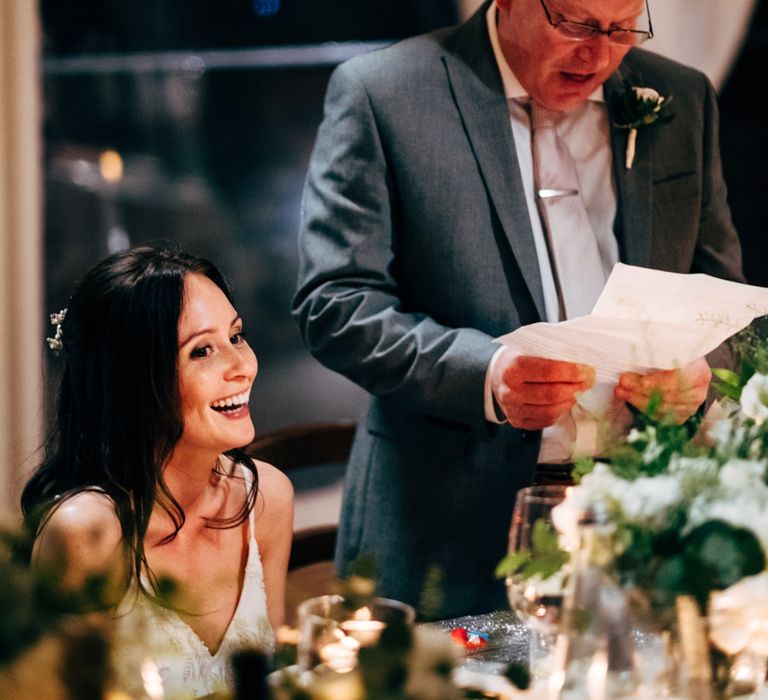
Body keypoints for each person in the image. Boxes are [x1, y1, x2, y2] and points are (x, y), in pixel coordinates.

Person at [292, 0, 743, 617]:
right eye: (578, 24)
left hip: (645, 530)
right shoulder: (384, 92)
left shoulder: (678, 96)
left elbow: (719, 293)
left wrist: (698, 374)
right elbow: (336, 303)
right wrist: (488, 376)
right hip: (445, 524)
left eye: (620, 28)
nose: (600, 54)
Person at [22, 246, 293, 698]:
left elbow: (278, 679)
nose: (242, 367)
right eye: (202, 351)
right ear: (132, 379)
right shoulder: (86, 534)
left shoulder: (266, 499)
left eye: (237, 336)